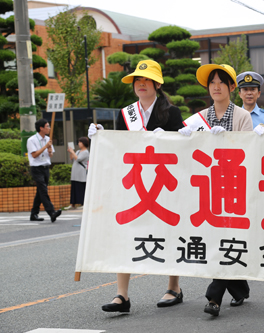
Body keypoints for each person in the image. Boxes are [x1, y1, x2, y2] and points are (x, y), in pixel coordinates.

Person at [88, 59, 185, 313]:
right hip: (135, 183)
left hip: (164, 184)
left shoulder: (171, 113)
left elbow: (184, 149)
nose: (141, 84)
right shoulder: (125, 113)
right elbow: (121, 146)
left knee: (169, 233)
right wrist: (101, 135)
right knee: (126, 233)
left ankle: (173, 286)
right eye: (137, 80)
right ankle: (122, 295)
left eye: (146, 79)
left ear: (157, 84)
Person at [179, 63, 253, 317]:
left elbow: (248, 152)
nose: (216, 86)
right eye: (212, 82)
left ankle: (214, 296)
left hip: (234, 189)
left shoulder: (242, 116)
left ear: (233, 87)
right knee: (216, 241)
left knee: (227, 240)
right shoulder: (197, 119)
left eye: (222, 81)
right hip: (208, 190)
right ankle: (240, 288)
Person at [27, 119, 62, 223]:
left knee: (40, 191)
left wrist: (50, 151)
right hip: (36, 168)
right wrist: (45, 147)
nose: (49, 128)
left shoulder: (48, 139)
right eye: (47, 126)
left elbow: (50, 155)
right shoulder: (31, 140)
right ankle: (51, 212)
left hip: (46, 168)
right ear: (41, 128)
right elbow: (34, 155)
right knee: (43, 190)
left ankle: (34, 213)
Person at [66, 137, 90, 210]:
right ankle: (72, 204)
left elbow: (78, 159)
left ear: (84, 143)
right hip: (75, 173)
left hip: (81, 173)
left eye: (80, 142)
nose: (79, 143)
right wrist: (71, 152)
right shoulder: (77, 151)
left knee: (81, 188)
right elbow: (72, 158)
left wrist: (73, 152)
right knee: (74, 188)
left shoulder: (86, 152)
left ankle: (83, 203)